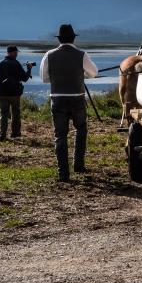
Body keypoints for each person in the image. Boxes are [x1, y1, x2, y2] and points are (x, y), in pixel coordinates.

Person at [40, 24, 98, 181]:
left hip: (57, 98)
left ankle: (63, 173)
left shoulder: (49, 55)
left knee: (60, 135)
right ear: (73, 38)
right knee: (81, 130)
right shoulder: (81, 54)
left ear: (59, 39)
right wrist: (81, 75)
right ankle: (78, 165)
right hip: (77, 98)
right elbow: (94, 73)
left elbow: (44, 78)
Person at [0, 45, 34, 141]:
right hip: (14, 94)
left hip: (2, 94)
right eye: (16, 52)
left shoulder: (1, 64)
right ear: (11, 53)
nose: (17, 54)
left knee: (3, 114)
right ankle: (15, 134)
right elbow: (25, 78)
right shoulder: (16, 64)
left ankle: (2, 135)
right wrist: (29, 68)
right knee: (16, 114)